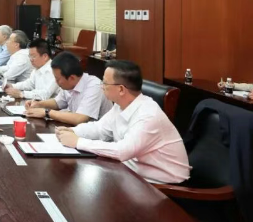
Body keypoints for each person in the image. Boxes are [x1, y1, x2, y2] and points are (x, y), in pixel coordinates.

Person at [56, 60, 191, 184]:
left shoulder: (148, 115)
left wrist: (78, 142)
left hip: (165, 187)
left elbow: (122, 151)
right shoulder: (121, 105)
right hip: (133, 174)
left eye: (105, 83)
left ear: (121, 89)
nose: (101, 86)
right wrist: (73, 131)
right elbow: (99, 129)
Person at [24, 51, 112, 125]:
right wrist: (39, 104)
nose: (56, 82)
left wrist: (46, 112)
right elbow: (58, 102)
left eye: (58, 79)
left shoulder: (94, 86)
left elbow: (80, 118)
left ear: (71, 78)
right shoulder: (68, 84)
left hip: (99, 136)